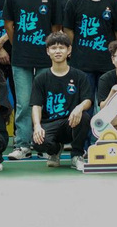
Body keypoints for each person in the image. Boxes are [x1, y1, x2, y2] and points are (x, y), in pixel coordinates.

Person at [3, 0, 61, 161]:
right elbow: (9, 25)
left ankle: (44, 144)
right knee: (24, 102)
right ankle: (22, 144)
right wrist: (18, 45)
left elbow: (56, 27)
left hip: (46, 59)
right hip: (21, 58)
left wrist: (49, 49)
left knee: (46, 101)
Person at [31, 32, 92, 171]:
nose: (57, 51)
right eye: (53, 48)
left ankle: (77, 155)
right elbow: (36, 105)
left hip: (70, 122)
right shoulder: (41, 78)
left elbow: (87, 100)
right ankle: (55, 150)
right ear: (48, 51)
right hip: (49, 123)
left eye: (61, 47)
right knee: (38, 142)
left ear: (69, 50)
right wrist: (37, 126)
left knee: (84, 116)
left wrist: (79, 107)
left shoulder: (79, 75)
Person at [63, 0, 117, 97]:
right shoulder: (73, 2)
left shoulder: (112, 2)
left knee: (106, 102)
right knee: (85, 101)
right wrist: (76, 47)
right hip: (82, 62)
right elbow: (68, 29)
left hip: (106, 61)